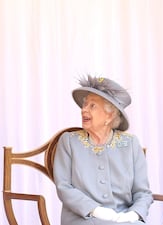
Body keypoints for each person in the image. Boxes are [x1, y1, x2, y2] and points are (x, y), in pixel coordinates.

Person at [53, 76, 153, 225]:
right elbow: (64, 187)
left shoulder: (130, 144)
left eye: (92, 106)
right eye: (84, 104)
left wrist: (134, 214)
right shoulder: (69, 141)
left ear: (110, 115)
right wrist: (95, 210)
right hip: (82, 218)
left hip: (123, 218)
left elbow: (142, 192)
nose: (83, 110)